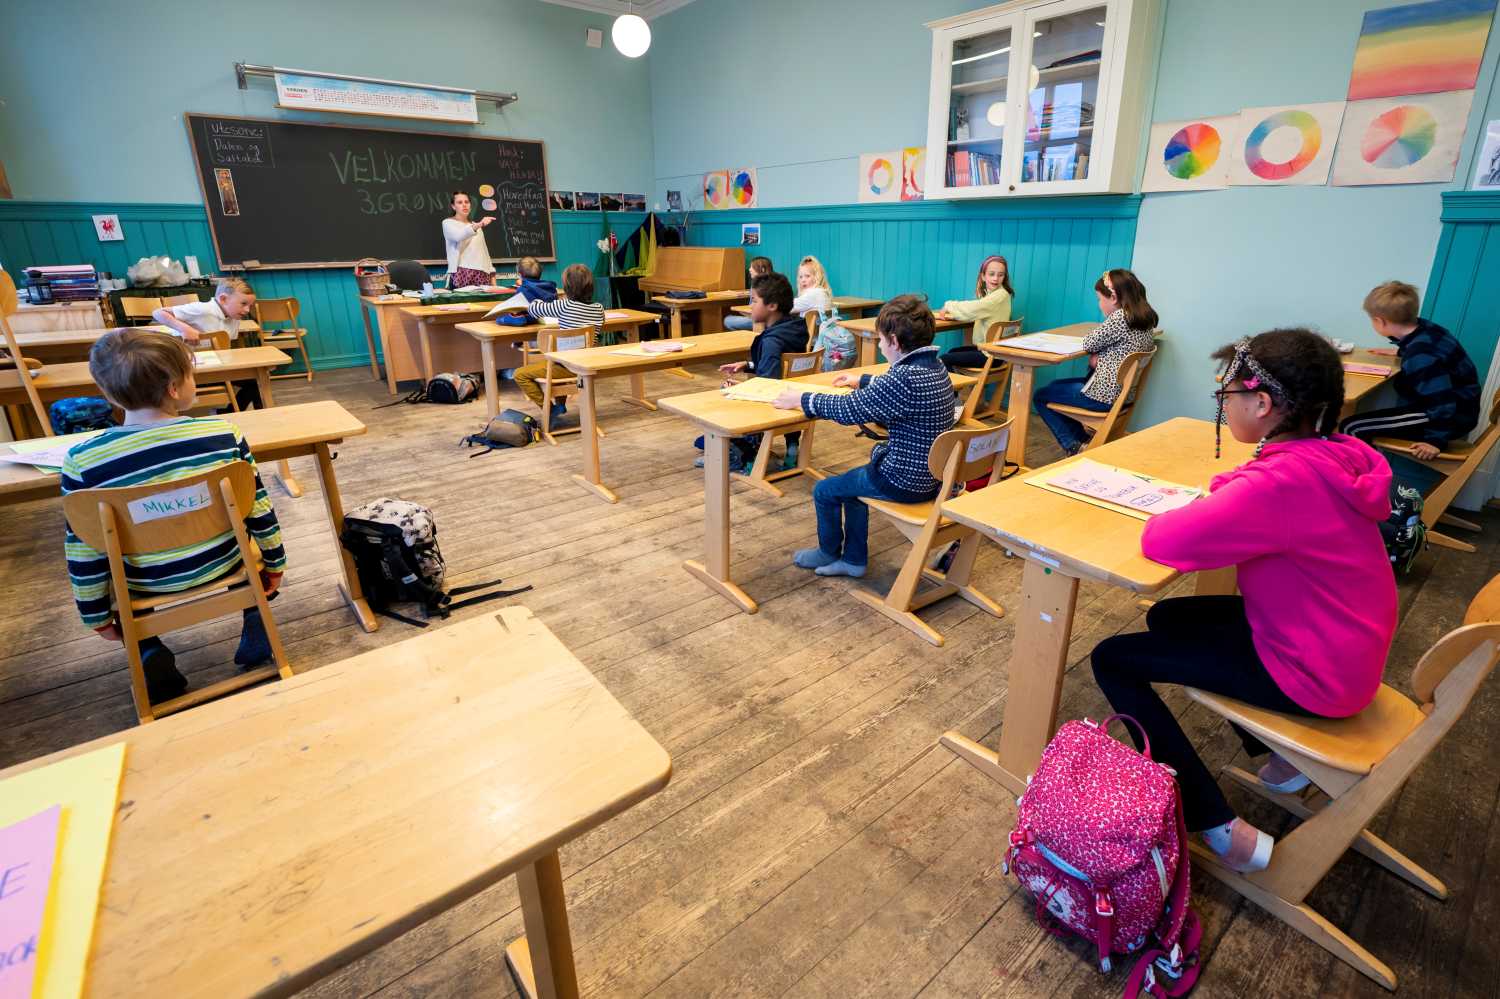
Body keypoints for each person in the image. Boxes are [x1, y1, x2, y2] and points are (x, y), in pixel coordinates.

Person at [1090, 329, 1396, 873]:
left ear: (1261, 403)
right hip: (1344, 647)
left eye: (1225, 395)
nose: (1223, 405)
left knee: (1112, 658)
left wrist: (1214, 501)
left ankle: (1216, 824)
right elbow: (1254, 484)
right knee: (1169, 615)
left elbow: (1163, 541)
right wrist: (1238, 487)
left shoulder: (1278, 485)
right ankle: (1281, 761)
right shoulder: (1339, 453)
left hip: (1313, 673)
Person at [62, 329, 287, 704]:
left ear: (108, 392)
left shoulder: (83, 461)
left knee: (122, 559)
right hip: (222, 562)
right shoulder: (223, 436)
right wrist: (276, 562)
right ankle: (255, 617)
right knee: (243, 547)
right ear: (173, 387)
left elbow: (84, 548)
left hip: (144, 580)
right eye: (192, 375)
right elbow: (258, 507)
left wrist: (94, 613)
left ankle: (147, 649)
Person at [771, 294, 956, 578]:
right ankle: (854, 560)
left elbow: (847, 410)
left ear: (894, 341)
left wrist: (802, 398)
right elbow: (894, 389)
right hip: (934, 478)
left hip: (905, 481)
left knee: (825, 490)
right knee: (853, 491)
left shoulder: (902, 380)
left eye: (881, 341)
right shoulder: (935, 367)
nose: (880, 346)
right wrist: (864, 380)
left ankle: (828, 551)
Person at [1340, 280, 1480, 462]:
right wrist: (1402, 350)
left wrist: (1436, 440)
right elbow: (1435, 352)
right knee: (1358, 423)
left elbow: (1442, 401)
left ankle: (1368, 480)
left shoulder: (1420, 355)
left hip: (1451, 416)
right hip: (1459, 407)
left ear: (1380, 321)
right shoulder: (1426, 330)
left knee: (1352, 427)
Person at [1033, 268, 1158, 455]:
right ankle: (1083, 441)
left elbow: (1089, 342)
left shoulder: (1120, 317)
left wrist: (1099, 356)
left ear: (1113, 298)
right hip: (1124, 394)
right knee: (1056, 387)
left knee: (1041, 395)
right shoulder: (1145, 319)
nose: (1099, 304)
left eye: (1100, 299)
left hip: (1103, 395)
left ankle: (1073, 446)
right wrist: (1102, 357)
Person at [700, 272, 809, 470]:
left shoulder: (771, 341)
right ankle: (792, 444)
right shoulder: (796, 329)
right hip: (796, 400)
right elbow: (784, 367)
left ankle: (745, 455)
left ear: (772, 306)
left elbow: (769, 382)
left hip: (772, 406)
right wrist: (748, 365)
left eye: (754, 300)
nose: (750, 305)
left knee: (706, 434)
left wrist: (741, 386)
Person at [513, 264, 605, 424]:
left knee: (520, 374)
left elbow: (534, 309)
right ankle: (560, 405)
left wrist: (525, 288)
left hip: (565, 367)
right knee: (558, 362)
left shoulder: (564, 305)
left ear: (567, 288)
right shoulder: (598, 309)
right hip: (585, 365)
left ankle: (549, 409)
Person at [151, 277, 262, 409]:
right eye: (243, 304)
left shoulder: (234, 317)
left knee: (255, 382)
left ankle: (230, 413)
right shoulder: (203, 309)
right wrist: (184, 328)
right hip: (187, 372)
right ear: (223, 299)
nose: (247, 310)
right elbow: (158, 312)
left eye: (250, 306)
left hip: (215, 367)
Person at [936, 254, 1014, 371]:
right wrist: (956, 315)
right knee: (953, 352)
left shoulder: (998, 297)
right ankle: (957, 389)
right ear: (983, 276)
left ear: (1004, 277)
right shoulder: (1001, 295)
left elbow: (974, 308)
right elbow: (977, 310)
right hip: (992, 352)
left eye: (1000, 275)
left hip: (990, 355)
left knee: (944, 359)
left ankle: (951, 390)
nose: (995, 278)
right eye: (991, 274)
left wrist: (949, 305)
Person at [443, 191, 496, 289]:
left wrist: (492, 274)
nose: (464, 205)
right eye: (459, 202)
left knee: (483, 304)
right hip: (461, 272)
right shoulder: (448, 223)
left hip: (481, 273)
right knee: (462, 303)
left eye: (466, 202)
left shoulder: (477, 226)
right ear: (453, 207)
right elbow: (458, 236)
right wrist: (479, 224)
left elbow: (484, 252)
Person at [724, 256, 773, 331]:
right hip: (760, 316)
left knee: (728, 320)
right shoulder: (772, 282)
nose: (750, 270)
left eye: (752, 267)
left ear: (762, 269)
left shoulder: (763, 285)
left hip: (762, 319)